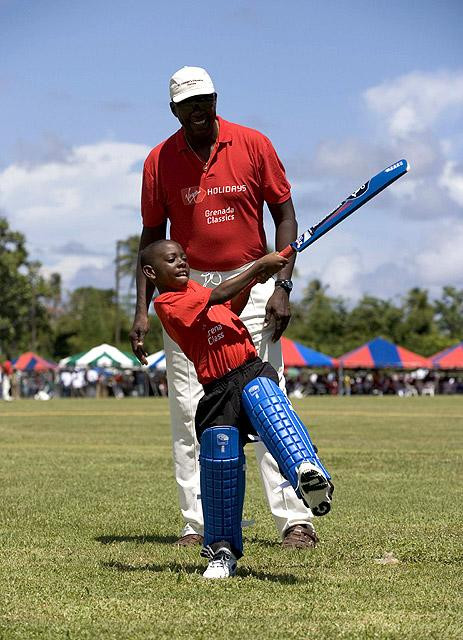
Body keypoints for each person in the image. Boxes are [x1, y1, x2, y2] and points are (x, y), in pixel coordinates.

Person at [130, 65, 318, 549]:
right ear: (173, 110)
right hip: (187, 294)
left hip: (254, 284)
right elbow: (151, 240)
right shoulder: (158, 160)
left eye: (205, 99)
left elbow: (285, 215)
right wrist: (140, 310)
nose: (199, 109)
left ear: (216, 99)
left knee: (266, 403)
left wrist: (282, 284)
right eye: (188, 103)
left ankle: (295, 519)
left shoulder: (253, 143)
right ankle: (197, 523)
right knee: (189, 409)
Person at [140, 239, 333, 578]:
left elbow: (228, 303)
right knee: (220, 458)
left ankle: (308, 476)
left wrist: (258, 280)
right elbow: (215, 297)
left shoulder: (197, 292)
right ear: (151, 272)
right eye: (172, 260)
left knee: (272, 411)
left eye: (184, 257)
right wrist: (257, 268)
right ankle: (222, 550)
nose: (182, 263)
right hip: (217, 389)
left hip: (248, 369)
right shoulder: (168, 303)